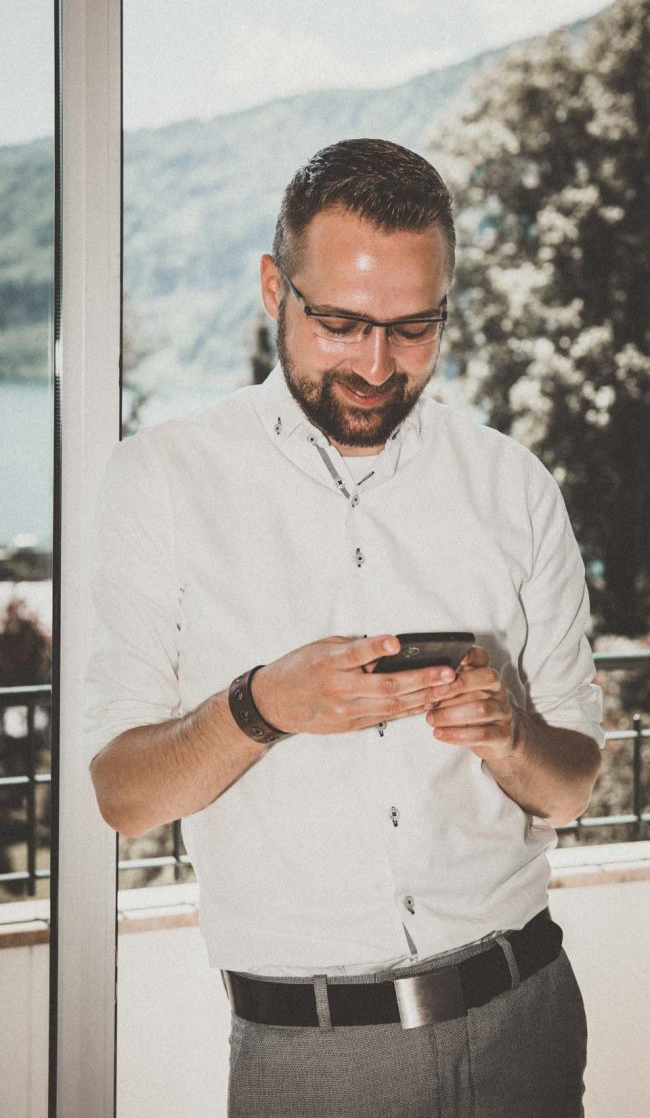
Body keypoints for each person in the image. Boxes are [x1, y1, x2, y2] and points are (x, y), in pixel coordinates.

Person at [86, 137, 604, 1118]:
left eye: (413, 328)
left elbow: (572, 784)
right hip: (309, 1061)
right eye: (340, 324)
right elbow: (121, 794)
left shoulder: (512, 485)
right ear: (273, 286)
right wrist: (257, 706)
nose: (376, 364)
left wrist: (510, 735)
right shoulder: (160, 479)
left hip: (526, 1022)